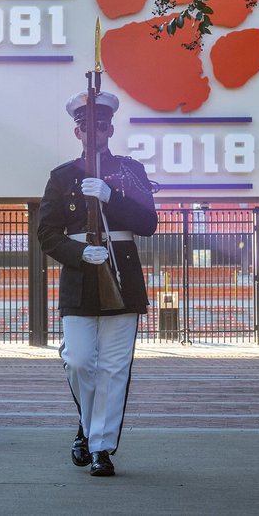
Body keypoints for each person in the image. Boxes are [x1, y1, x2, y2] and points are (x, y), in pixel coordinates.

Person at [37, 90, 158, 477]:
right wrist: (77, 255)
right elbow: (46, 234)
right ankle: (88, 429)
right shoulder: (61, 176)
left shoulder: (130, 171)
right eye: (86, 125)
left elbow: (148, 224)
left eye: (101, 124)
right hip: (79, 278)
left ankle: (100, 447)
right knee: (78, 361)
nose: (95, 131)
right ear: (77, 131)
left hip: (121, 277)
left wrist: (112, 196)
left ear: (111, 128)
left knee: (113, 367)